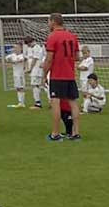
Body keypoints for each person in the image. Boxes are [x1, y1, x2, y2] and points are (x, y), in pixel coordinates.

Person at [42, 13, 81, 141]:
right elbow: (77, 57)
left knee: (55, 103)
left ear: (53, 22)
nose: (48, 24)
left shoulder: (52, 37)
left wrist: (44, 75)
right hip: (70, 74)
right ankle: (75, 133)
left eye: (48, 21)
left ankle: (55, 134)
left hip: (58, 75)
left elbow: (49, 59)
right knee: (73, 103)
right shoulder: (72, 36)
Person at [5, 43, 27, 108]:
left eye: (17, 48)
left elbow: (18, 61)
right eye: (15, 48)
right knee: (17, 88)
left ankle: (22, 103)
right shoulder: (13, 55)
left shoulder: (22, 55)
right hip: (15, 74)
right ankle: (20, 102)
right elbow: (6, 58)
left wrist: (12, 61)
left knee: (21, 87)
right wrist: (11, 60)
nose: (15, 49)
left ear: (21, 48)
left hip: (20, 74)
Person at [26, 36, 46, 109]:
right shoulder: (31, 48)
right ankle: (39, 102)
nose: (28, 45)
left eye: (29, 43)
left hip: (36, 70)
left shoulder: (37, 48)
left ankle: (38, 103)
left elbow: (35, 59)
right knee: (36, 85)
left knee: (36, 85)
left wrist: (30, 69)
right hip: (35, 70)